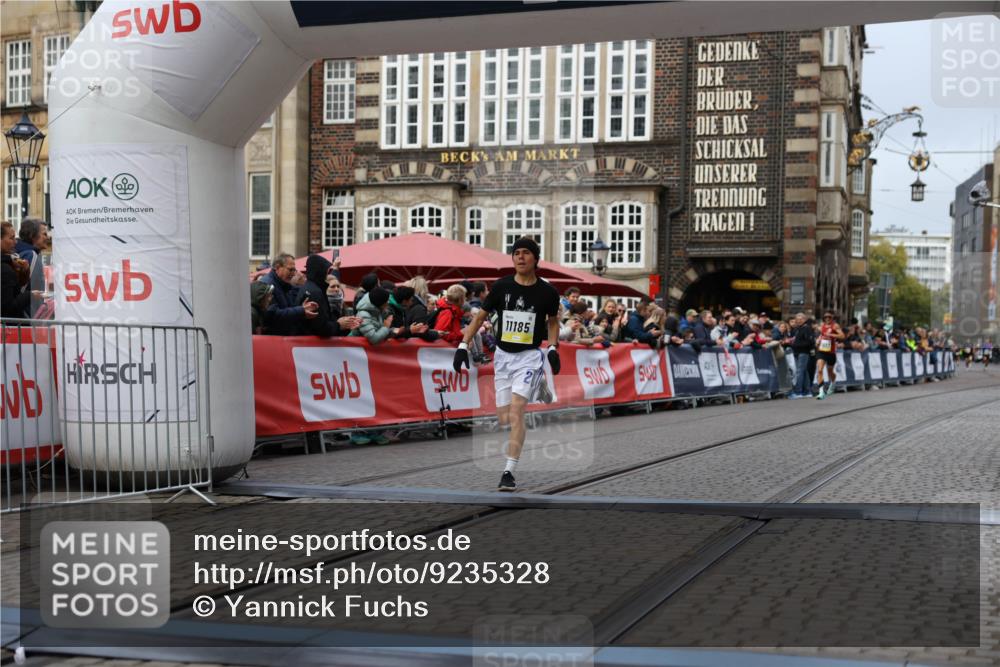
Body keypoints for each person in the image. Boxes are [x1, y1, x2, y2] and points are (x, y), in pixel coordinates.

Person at [453, 237, 560, 492]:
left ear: (536, 259)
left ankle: (508, 471)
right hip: (503, 356)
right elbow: (479, 318)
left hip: (529, 356)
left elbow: (553, 321)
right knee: (503, 417)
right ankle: (539, 384)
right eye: (516, 253)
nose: (520, 257)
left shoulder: (548, 292)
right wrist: (462, 346)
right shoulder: (501, 287)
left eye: (526, 253)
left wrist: (553, 347)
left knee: (516, 412)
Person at [299, 254, 361, 337]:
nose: (336, 290)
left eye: (338, 286)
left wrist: (346, 325)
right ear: (320, 271)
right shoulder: (315, 292)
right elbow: (321, 327)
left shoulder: (311, 288)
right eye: (326, 271)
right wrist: (339, 325)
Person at [259, 253, 318, 335]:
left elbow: (288, 309)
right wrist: (301, 310)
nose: (293, 273)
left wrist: (302, 309)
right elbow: (272, 315)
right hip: (275, 340)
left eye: (294, 270)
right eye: (290, 270)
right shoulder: (267, 285)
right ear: (277, 267)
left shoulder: (284, 284)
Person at [14, 217, 48, 317]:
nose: (48, 237)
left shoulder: (25, 253)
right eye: (44, 234)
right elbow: (21, 290)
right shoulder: (31, 255)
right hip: (28, 318)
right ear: (32, 236)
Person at [2, 222, 34, 319]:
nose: (15, 242)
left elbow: (15, 288)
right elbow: (8, 308)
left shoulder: (10, 262)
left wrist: (24, 271)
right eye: (11, 238)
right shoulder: (4, 269)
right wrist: (30, 295)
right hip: (8, 329)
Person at [814, 310, 845, 400]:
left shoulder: (835, 326)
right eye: (825, 317)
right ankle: (821, 392)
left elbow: (842, 336)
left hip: (831, 352)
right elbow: (820, 336)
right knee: (819, 370)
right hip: (822, 351)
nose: (827, 319)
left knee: (830, 372)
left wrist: (831, 334)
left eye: (829, 317)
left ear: (832, 318)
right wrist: (817, 341)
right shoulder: (821, 327)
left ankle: (833, 382)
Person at [786, 312, 815, 398]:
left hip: (803, 352)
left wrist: (796, 344)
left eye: (800, 319)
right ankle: (807, 391)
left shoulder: (806, 328)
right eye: (797, 319)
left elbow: (810, 341)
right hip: (797, 352)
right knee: (804, 371)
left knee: (799, 371)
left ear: (805, 320)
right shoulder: (797, 329)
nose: (798, 321)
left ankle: (798, 391)